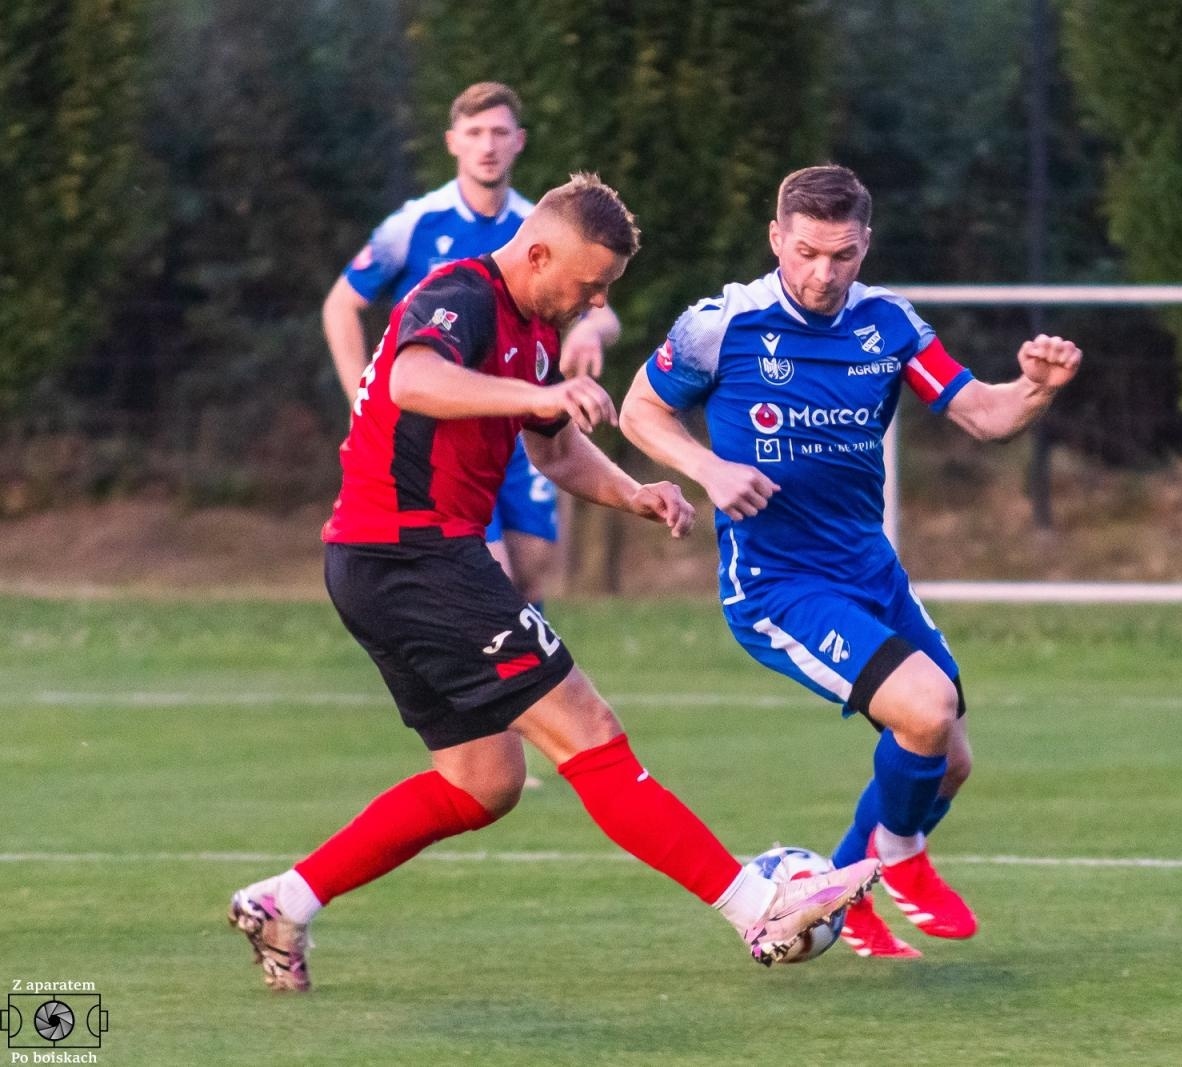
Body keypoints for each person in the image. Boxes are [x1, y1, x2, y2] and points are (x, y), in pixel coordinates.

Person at [230, 173, 879, 991]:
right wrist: (541, 390)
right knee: (589, 729)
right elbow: (411, 380)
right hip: (414, 555)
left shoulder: (533, 329)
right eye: (590, 283)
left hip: (387, 563)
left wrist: (636, 493)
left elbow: (558, 451)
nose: (596, 301)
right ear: (538, 252)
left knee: (484, 781)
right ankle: (760, 909)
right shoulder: (459, 294)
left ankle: (282, 900)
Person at [619, 164, 1082, 960]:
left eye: (841, 255)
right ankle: (897, 857)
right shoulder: (722, 324)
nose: (821, 273)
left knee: (949, 762)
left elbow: (982, 412)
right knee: (927, 711)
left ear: (865, 244)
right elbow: (640, 409)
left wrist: (1035, 390)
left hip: (869, 570)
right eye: (805, 252)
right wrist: (709, 468)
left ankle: (845, 889)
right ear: (776, 239)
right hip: (778, 584)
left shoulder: (890, 325)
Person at [322, 80, 616, 610]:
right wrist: (362, 397)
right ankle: (510, 682)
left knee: (530, 573)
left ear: (519, 142)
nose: (487, 145)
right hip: (448, 422)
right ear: (452, 141)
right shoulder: (416, 224)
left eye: (499, 132)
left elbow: (597, 304)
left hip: (520, 431)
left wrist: (593, 330)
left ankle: (519, 675)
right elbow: (341, 304)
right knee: (487, 576)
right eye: (475, 132)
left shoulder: (542, 224)